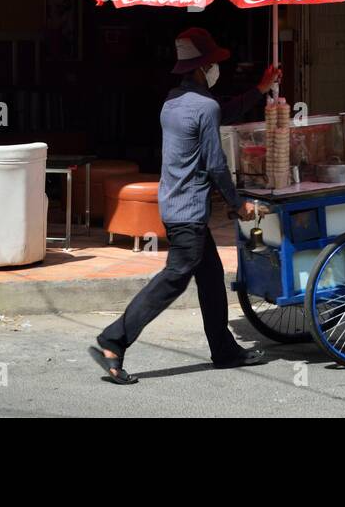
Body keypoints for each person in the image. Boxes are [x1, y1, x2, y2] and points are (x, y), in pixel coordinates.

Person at [89, 27, 281, 384]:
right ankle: (113, 339)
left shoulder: (173, 102)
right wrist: (238, 205)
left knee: (209, 280)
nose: (215, 71)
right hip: (189, 212)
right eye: (211, 65)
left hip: (174, 205)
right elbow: (215, 163)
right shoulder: (204, 107)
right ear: (202, 68)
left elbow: (223, 111)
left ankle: (224, 351)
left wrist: (260, 87)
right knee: (174, 279)